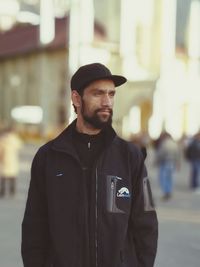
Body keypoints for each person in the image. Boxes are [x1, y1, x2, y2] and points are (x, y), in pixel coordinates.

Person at [21, 63, 158, 267]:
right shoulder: (48, 157)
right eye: (98, 94)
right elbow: (34, 229)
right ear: (76, 98)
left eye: (111, 94)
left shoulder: (130, 156)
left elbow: (146, 226)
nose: (107, 102)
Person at [155, 132, 179, 200]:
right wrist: (178, 163)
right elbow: (178, 154)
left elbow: (161, 154)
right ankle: (169, 191)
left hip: (165, 162)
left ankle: (166, 192)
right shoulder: (174, 143)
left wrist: (156, 161)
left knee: (163, 178)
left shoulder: (164, 143)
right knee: (170, 178)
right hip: (172, 163)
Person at [0, 126, 22, 197]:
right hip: (12, 158)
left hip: (4, 158)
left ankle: (2, 192)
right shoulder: (15, 139)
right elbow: (20, 146)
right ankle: (12, 192)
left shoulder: (2, 138)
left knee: (4, 176)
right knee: (12, 176)